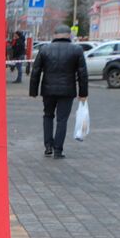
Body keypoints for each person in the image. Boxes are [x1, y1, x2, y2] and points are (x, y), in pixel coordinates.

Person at [28, 24, 89, 159]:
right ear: (69, 35)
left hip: (48, 90)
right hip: (67, 91)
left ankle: (48, 146)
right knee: (62, 120)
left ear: (54, 35)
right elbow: (82, 73)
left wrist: (33, 91)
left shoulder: (44, 49)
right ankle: (58, 150)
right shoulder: (77, 50)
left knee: (48, 116)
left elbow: (36, 71)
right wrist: (83, 93)